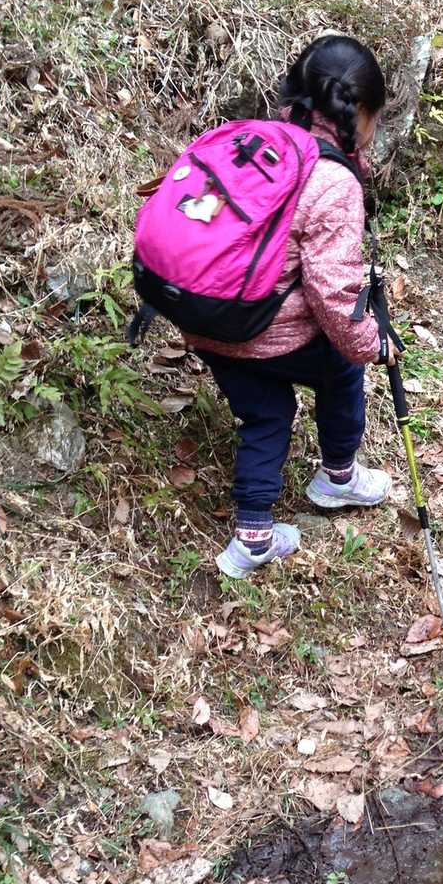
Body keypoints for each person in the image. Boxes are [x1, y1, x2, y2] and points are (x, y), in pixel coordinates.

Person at [186, 34, 400, 579]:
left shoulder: (249, 140)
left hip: (204, 319)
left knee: (266, 413)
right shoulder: (330, 182)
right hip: (263, 330)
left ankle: (253, 538)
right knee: (341, 367)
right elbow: (334, 296)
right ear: (362, 113)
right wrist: (373, 344)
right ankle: (338, 476)